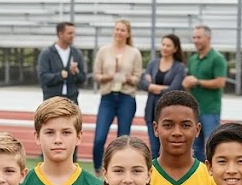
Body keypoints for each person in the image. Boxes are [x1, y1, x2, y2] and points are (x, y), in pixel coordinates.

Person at [92, 19, 144, 173]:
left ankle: (120, 169)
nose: (119, 33)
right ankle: (97, 169)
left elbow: (137, 77)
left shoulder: (134, 53)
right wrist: (106, 77)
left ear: (127, 33)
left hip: (126, 97)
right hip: (108, 96)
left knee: (123, 138)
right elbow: (96, 75)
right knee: (99, 137)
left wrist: (129, 79)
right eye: (117, 29)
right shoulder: (104, 51)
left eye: (122, 30)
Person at [183, 25, 228, 161]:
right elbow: (191, 84)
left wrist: (197, 82)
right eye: (194, 37)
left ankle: (213, 178)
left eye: (199, 37)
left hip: (210, 110)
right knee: (195, 148)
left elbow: (220, 82)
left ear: (208, 38)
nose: (196, 40)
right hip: (194, 112)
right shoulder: (192, 59)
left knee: (211, 146)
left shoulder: (217, 58)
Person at [141, 34, 187, 158]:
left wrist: (153, 87)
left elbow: (174, 88)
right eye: (163, 44)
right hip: (151, 109)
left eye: (168, 45)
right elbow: (144, 83)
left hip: (169, 111)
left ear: (175, 49)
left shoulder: (179, 67)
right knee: (154, 147)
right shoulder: (153, 64)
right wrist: (159, 87)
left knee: (166, 147)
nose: (165, 48)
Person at [37, 21, 87, 104]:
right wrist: (60, 76)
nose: (73, 36)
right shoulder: (47, 53)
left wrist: (76, 73)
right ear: (60, 34)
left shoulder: (76, 53)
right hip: (51, 101)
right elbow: (43, 77)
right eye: (70, 33)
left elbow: (83, 78)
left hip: (72, 101)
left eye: (74, 33)